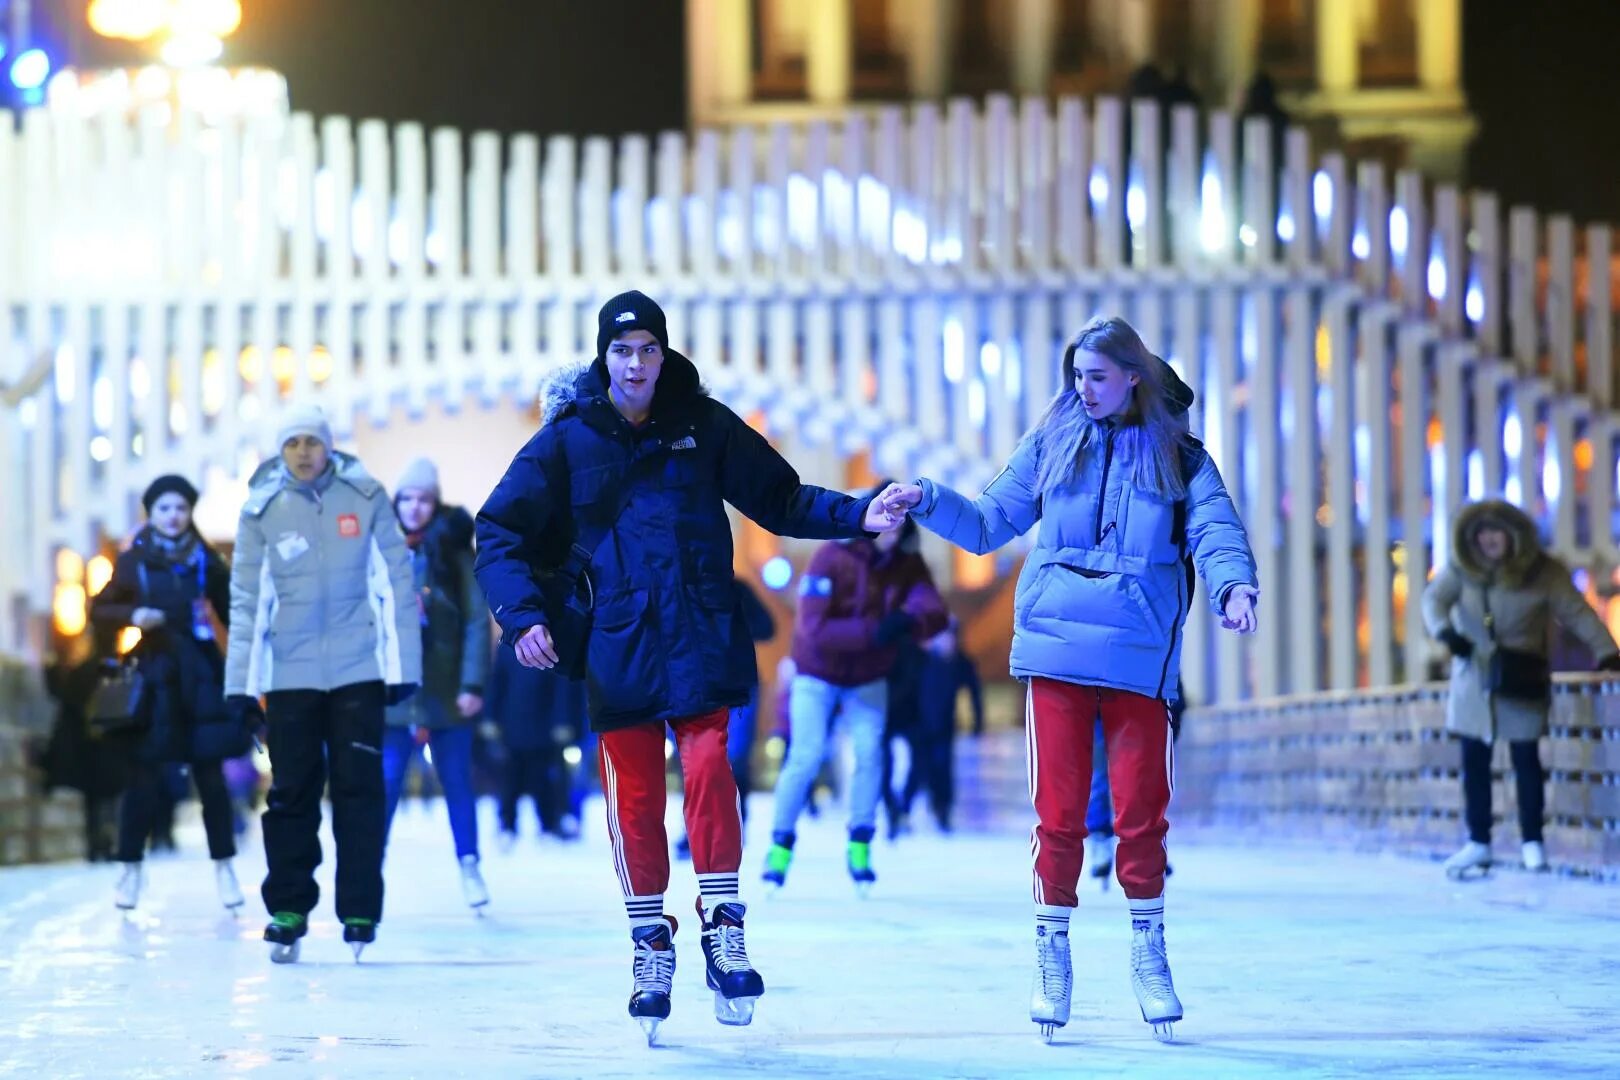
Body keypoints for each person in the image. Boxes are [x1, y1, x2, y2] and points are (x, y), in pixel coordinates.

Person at [474, 290, 895, 1042]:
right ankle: (649, 940)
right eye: (622, 351)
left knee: (711, 774)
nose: (636, 364)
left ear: (664, 355)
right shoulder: (568, 439)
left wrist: (859, 514)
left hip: (700, 630)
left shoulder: (703, 425)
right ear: (603, 359)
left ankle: (724, 922)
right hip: (620, 640)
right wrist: (522, 614)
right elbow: (499, 527)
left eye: (648, 350)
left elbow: (781, 496)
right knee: (633, 798)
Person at [878, 315, 1259, 1042]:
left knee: (1141, 814)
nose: (1083, 389)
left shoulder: (1181, 457)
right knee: (1058, 817)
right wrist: (927, 498)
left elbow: (1215, 528)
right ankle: (1052, 952)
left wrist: (1233, 586)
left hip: (1139, 656)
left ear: (1133, 377)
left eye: (1098, 376)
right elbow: (991, 522)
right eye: (1077, 375)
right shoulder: (1052, 443)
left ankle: (1149, 950)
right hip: (1055, 651)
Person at [225, 405, 421, 963]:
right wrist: (241, 686)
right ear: (280, 451)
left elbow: (393, 583)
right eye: (293, 443)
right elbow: (249, 603)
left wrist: (402, 668)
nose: (304, 452)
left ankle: (359, 907)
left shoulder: (364, 498)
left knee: (360, 789)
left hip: (358, 671)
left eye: (312, 441)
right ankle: (288, 905)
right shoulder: (262, 511)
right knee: (291, 793)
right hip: (291, 677)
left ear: (329, 446)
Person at [1422, 500, 1620, 878]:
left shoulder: (1542, 573)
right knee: (1474, 762)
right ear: (1472, 538)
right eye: (1483, 533)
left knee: (1526, 761)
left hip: (1521, 677)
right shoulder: (1462, 571)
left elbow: (1576, 612)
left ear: (1513, 537)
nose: (1490, 540)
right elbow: (1432, 600)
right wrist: (1446, 633)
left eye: (1497, 532)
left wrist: (1608, 652)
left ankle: (1533, 842)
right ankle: (1478, 840)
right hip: (1473, 680)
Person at [764, 503, 947, 895]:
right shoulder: (832, 555)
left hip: (868, 676)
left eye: (899, 528)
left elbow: (933, 608)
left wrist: (910, 618)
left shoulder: (906, 564)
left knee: (870, 754)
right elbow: (813, 627)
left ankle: (860, 844)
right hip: (816, 672)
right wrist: (875, 631)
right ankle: (779, 845)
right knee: (807, 754)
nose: (892, 535)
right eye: (887, 524)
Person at [91, 475, 245, 914]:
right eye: (164, 508)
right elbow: (98, 609)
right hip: (154, 674)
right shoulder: (133, 562)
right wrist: (134, 614)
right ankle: (129, 870)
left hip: (199, 674)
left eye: (180, 508)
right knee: (142, 779)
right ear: (151, 513)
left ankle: (225, 867)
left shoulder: (205, 559)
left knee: (210, 777)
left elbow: (234, 611)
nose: (173, 516)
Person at [381, 458, 492, 912]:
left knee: (456, 781)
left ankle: (469, 863)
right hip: (392, 693)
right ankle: (371, 867)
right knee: (385, 782)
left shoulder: (454, 552)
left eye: (423, 499)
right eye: (406, 498)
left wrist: (472, 684)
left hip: (446, 691)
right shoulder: (380, 547)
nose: (414, 508)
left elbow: (474, 622)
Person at [488, 643, 587, 844]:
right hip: (512, 723)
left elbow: (563, 685)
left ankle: (549, 824)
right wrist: (491, 717)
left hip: (544, 726)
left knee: (543, 778)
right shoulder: (507, 645)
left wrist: (562, 721)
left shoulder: (552, 641)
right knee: (510, 778)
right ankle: (507, 824)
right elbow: (497, 681)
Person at [904, 618, 983, 833]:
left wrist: (977, 723)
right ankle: (902, 812)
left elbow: (975, 694)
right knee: (918, 770)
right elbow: (907, 693)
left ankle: (942, 811)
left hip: (945, 727)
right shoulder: (922, 661)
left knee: (943, 770)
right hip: (920, 727)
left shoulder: (961, 663)